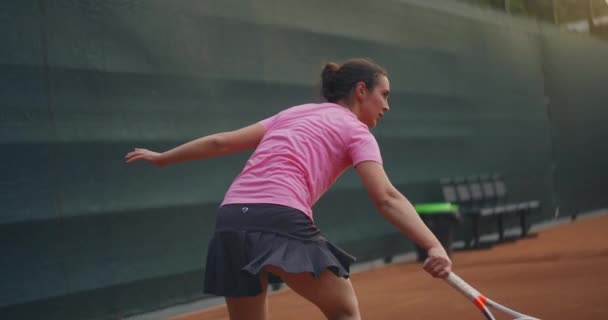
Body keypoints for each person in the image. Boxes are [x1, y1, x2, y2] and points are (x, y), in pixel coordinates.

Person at [126, 58, 452, 320]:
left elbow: (220, 142)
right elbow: (386, 197)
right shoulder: (357, 132)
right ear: (361, 90)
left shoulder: (294, 113)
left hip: (230, 219)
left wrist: (163, 159)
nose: (387, 106)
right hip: (278, 215)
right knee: (344, 310)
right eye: (385, 95)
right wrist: (433, 245)